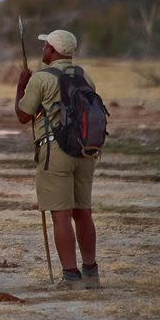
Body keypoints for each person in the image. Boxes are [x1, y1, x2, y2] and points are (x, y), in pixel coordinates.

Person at [15, 29, 100, 290]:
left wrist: (21, 86)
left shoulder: (41, 78)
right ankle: (91, 274)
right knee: (83, 212)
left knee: (61, 216)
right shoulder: (85, 75)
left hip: (56, 154)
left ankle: (71, 277)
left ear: (53, 51)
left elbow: (23, 116)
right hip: (85, 152)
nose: (43, 50)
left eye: (46, 46)